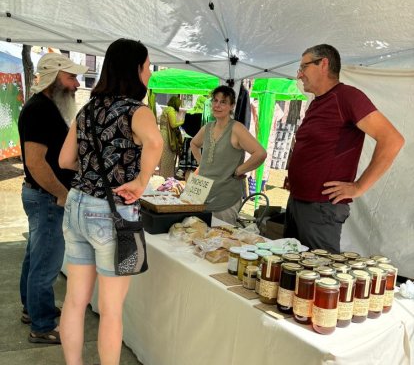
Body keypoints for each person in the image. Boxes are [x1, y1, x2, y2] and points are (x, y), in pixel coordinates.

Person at [59, 38, 162, 365]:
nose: (150, 72)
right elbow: (155, 144)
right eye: (148, 65)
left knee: (74, 301)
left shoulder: (88, 109)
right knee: (111, 309)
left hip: (76, 206)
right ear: (134, 68)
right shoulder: (138, 110)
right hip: (112, 212)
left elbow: (66, 159)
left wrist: (94, 167)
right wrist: (140, 181)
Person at [284, 43, 404, 253]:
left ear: (323, 64)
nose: (299, 75)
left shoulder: (348, 97)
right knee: (290, 273)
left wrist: (359, 187)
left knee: (317, 277)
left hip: (320, 208)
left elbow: (392, 139)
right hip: (298, 202)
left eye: (303, 67)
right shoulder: (316, 103)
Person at [18, 52, 88, 344]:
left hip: (42, 196)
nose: (76, 83)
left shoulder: (46, 106)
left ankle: (33, 309)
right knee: (45, 262)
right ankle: (42, 324)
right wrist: (62, 194)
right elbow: (36, 162)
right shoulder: (39, 109)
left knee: (36, 256)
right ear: (55, 77)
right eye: (71, 76)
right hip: (47, 198)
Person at [190, 85, 267, 225]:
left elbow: (260, 154)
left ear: (232, 106)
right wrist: (202, 164)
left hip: (226, 198)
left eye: (223, 102)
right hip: (203, 195)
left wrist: (240, 170)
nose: (217, 105)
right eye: (215, 100)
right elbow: (194, 144)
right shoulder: (207, 127)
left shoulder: (236, 128)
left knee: (221, 239)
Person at [158, 95, 184, 178]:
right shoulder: (171, 110)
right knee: (168, 158)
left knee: (163, 157)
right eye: (179, 104)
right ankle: (166, 178)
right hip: (167, 137)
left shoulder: (166, 109)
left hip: (162, 134)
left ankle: (163, 176)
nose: (179, 106)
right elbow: (173, 125)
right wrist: (182, 121)